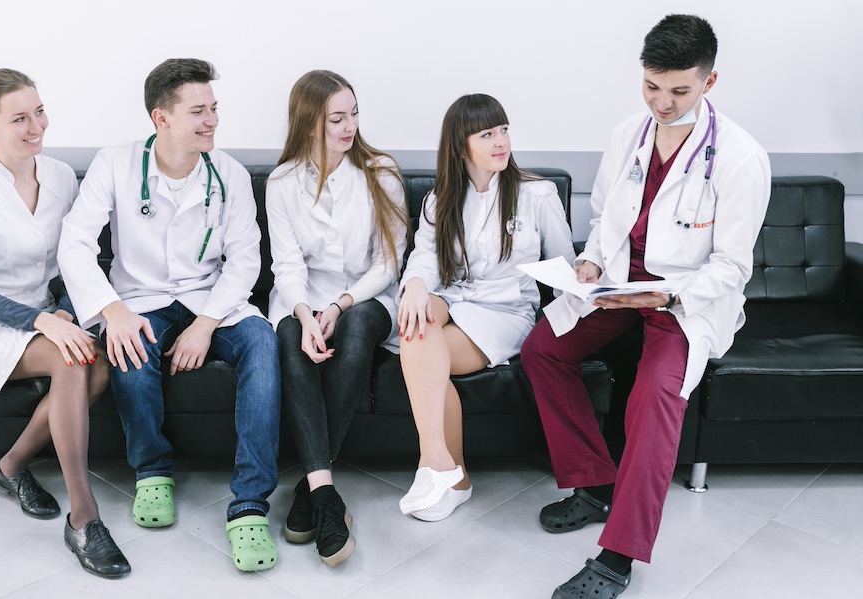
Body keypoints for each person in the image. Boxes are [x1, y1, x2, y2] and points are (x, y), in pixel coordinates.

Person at [520, 15, 770, 599]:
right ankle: (594, 482)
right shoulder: (628, 133)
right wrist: (587, 263)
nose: (661, 102)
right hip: (616, 286)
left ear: (709, 82)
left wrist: (671, 293)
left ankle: (618, 555)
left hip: (684, 301)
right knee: (542, 350)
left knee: (658, 395)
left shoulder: (739, 158)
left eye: (679, 90)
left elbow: (733, 267)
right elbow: (607, 214)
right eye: (652, 86)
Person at [57, 58, 282, 573]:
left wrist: (205, 325)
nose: (212, 121)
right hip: (139, 297)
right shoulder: (115, 163)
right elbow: (74, 244)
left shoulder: (227, 174)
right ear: (161, 118)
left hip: (211, 300)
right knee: (129, 342)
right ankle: (152, 472)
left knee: (263, 343)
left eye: (214, 109)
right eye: (199, 111)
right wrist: (112, 311)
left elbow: (246, 259)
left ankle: (249, 504)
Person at [0, 69, 130, 579]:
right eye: (19, 118)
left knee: (100, 366)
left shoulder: (61, 176)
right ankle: (85, 520)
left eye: (38, 111)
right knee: (72, 357)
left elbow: (74, 259)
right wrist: (47, 321)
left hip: (42, 316)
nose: (35, 125)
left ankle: (10, 466)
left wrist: (61, 306)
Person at [397, 94, 575, 522]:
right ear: (461, 145)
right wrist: (417, 285)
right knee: (416, 323)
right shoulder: (440, 201)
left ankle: (444, 473)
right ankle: (443, 466)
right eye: (488, 133)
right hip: (457, 299)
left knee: (422, 346)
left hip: (507, 312)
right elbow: (423, 257)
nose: (501, 142)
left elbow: (567, 267)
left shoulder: (536, 194)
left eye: (504, 130)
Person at [266, 70, 409, 567]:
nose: (349, 127)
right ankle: (325, 494)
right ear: (309, 123)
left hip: (365, 298)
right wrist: (306, 314)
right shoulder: (282, 182)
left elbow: (388, 262)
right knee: (287, 336)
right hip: (302, 299)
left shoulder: (380, 171)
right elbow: (286, 265)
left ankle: (310, 491)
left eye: (353, 114)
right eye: (336, 118)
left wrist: (338, 305)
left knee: (355, 330)